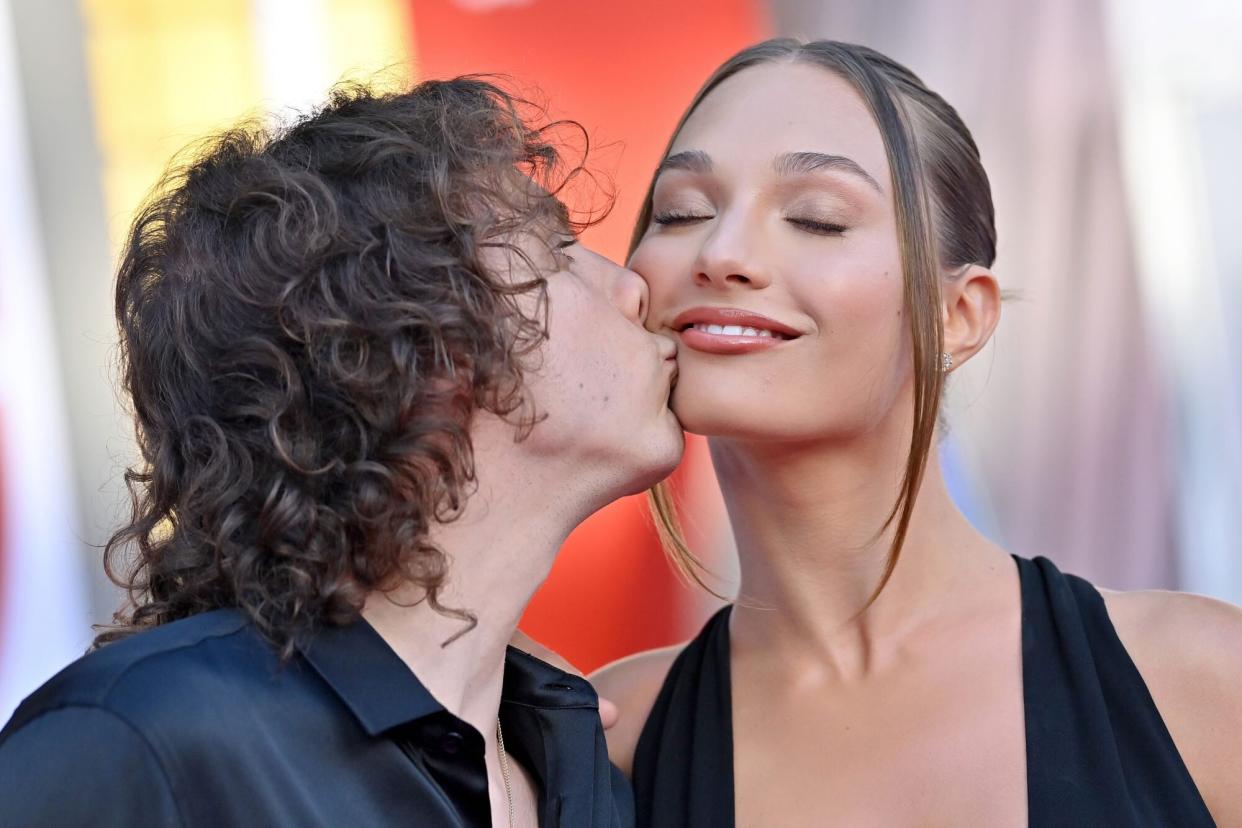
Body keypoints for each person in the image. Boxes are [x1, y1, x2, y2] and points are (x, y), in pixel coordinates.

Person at [593, 38, 1242, 827]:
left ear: (958, 316)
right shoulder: (607, 744)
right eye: (682, 212)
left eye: (816, 219)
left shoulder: (1202, 684)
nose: (721, 252)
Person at [0, 77, 682, 827]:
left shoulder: (584, 771)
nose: (634, 290)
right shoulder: (138, 741)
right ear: (412, 342)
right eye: (559, 247)